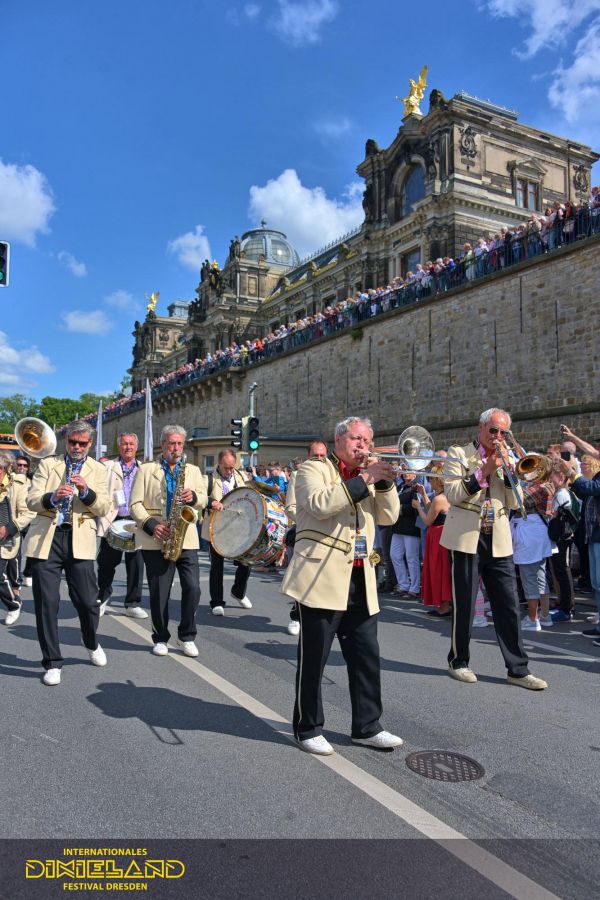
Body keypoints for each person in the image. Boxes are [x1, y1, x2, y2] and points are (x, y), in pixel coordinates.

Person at [281, 416, 403, 755]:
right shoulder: (314, 469)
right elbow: (321, 505)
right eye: (356, 439)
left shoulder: (369, 474)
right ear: (338, 441)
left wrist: (385, 482)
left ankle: (367, 726)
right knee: (314, 658)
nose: (363, 445)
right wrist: (366, 478)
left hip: (361, 578)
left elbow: (389, 516)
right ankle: (307, 728)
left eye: (367, 440)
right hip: (320, 578)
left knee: (366, 657)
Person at [440, 408, 547, 690]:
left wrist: (510, 475)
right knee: (465, 604)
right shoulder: (459, 453)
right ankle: (458, 661)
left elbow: (516, 502)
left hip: (498, 538)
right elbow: (452, 494)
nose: (498, 436)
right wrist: (484, 471)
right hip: (466, 538)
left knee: (508, 605)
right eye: (493, 430)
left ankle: (518, 669)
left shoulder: (507, 457)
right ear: (481, 427)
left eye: (503, 432)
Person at [25, 420, 110, 686]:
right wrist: (52, 497)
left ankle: (90, 641)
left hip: (80, 539)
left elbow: (104, 507)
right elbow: (31, 500)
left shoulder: (98, 469)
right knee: (46, 603)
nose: (76, 447)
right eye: (72, 442)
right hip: (47, 539)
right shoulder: (48, 464)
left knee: (87, 602)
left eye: (82, 443)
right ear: (66, 441)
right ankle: (52, 662)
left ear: (90, 444)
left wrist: (86, 491)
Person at [130, 425, 207, 657]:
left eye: (180, 444)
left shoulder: (193, 470)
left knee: (193, 588)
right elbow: (135, 504)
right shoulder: (146, 469)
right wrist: (152, 525)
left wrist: (194, 497)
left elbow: (203, 499)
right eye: (172, 443)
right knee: (159, 592)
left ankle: (186, 636)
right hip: (157, 537)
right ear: (163, 444)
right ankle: (160, 637)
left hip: (186, 538)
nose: (176, 448)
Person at [96, 432, 147, 618]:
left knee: (136, 564)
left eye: (131, 444)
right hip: (114, 519)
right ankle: (102, 596)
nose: (128, 447)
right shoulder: (108, 466)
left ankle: (132, 603)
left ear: (136, 446)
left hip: (136, 520)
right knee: (106, 563)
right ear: (119, 446)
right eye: (124, 444)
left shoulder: (144, 468)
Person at [284, 440, 328, 636]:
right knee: (303, 580)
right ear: (308, 456)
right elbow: (291, 507)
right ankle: (296, 617)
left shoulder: (332, 474)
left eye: (322, 455)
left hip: (328, 536)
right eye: (315, 455)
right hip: (307, 534)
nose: (319, 459)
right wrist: (308, 519)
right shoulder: (298, 474)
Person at [201, 449, 253, 616]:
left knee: (246, 562)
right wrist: (211, 502)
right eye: (226, 468)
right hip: (216, 529)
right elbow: (199, 497)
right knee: (217, 567)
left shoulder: (242, 477)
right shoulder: (209, 479)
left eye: (232, 467)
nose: (229, 471)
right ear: (219, 464)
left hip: (239, 529)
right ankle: (217, 602)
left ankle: (238, 592)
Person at [560, 454, 600, 641]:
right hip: (594, 535)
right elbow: (586, 491)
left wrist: (571, 472)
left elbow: (592, 488)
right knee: (597, 584)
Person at [412, 464, 452, 616]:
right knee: (443, 570)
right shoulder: (448, 495)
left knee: (438, 571)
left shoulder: (439, 498)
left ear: (437, 480)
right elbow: (434, 510)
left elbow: (428, 520)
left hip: (437, 536)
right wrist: (423, 495)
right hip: (444, 534)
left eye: (431, 479)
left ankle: (444, 607)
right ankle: (444, 604)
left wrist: (418, 507)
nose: (429, 481)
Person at [0, 454, 35, 625]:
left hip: (7, 538)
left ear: (3, 469)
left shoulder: (18, 485)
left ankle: (13, 604)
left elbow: (28, 512)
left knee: (5, 574)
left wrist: (9, 528)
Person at [6, 454, 33, 595]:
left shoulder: (32, 481)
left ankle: (27, 573)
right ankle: (15, 582)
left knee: (30, 549)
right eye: (19, 465)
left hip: (29, 520)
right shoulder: (9, 480)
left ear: (28, 468)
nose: (22, 467)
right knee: (14, 553)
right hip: (14, 521)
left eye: (25, 465)